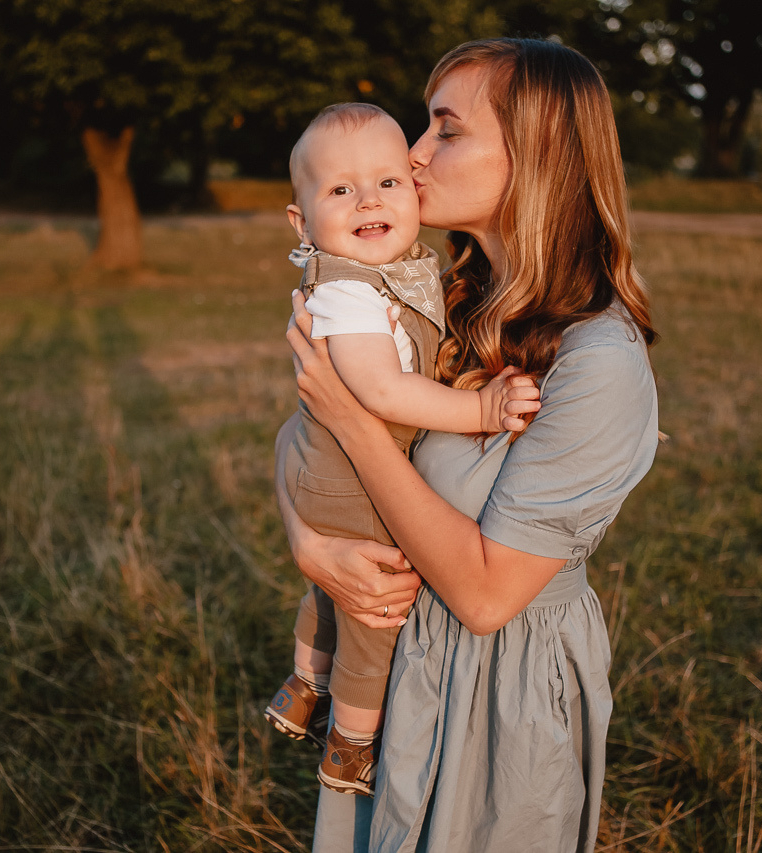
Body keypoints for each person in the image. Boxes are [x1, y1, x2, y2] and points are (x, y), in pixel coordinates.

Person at [276, 38, 659, 852]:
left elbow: (486, 598)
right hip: (407, 667)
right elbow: (301, 430)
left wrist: (353, 417)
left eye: (445, 131)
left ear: (538, 156)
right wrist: (309, 540)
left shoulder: (600, 365)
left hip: (499, 704)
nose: (411, 155)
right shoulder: (445, 300)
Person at [265, 101, 539, 797]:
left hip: (331, 469)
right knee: (374, 615)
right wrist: (479, 406)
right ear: (301, 223)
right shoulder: (349, 292)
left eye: (387, 182)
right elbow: (382, 391)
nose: (368, 200)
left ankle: (304, 684)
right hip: (352, 479)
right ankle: (352, 744)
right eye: (340, 190)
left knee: (331, 589)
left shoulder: (397, 273)